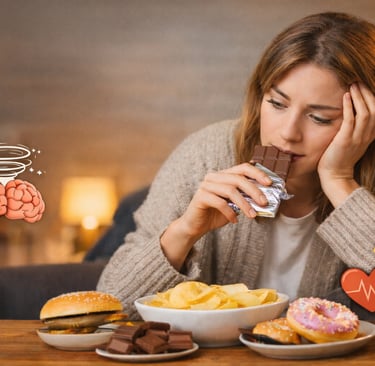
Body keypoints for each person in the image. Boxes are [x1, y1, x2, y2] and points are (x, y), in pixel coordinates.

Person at [97, 12, 375, 320]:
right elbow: (109, 308)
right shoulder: (205, 155)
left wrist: (339, 182)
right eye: (277, 104)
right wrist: (186, 231)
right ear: (259, 97)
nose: (288, 133)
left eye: (320, 118)